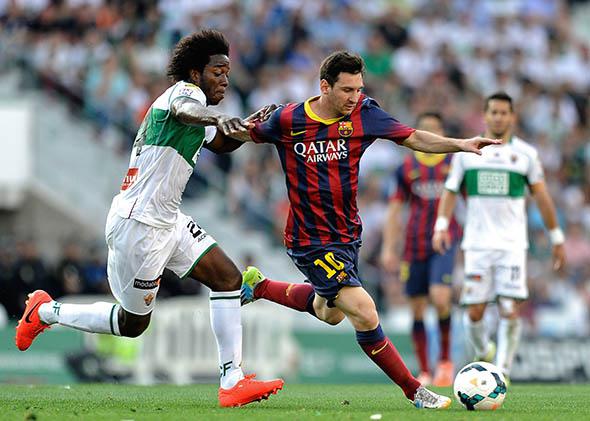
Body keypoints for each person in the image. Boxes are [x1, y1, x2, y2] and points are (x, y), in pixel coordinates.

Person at [15, 29, 283, 408]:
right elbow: (186, 112)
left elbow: (220, 144)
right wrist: (220, 117)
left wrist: (250, 128)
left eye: (228, 72)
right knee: (132, 324)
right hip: (139, 226)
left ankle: (232, 379)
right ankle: (45, 311)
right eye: (217, 71)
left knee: (227, 278)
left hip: (167, 220)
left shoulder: (198, 110)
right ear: (195, 73)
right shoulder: (185, 96)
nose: (225, 78)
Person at [232, 51, 500, 409]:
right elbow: (240, 136)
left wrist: (461, 145)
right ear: (324, 86)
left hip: (347, 235)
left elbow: (413, 137)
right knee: (365, 311)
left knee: (330, 313)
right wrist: (216, 128)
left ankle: (259, 285)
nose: (353, 97)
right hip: (309, 239)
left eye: (358, 89)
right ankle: (415, 390)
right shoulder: (288, 119)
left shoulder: (365, 113)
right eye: (346, 90)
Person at [432, 92, 566, 382]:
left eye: (504, 112)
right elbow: (450, 191)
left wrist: (556, 237)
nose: (499, 117)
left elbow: (542, 197)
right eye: (493, 112)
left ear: (512, 117)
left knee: (509, 307)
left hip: (512, 245)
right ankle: (484, 353)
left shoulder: (526, 155)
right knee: (475, 312)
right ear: (485, 115)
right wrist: (441, 225)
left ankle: (502, 372)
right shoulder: (468, 153)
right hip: (478, 244)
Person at [380, 112, 461, 387]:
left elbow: (471, 204)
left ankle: (446, 362)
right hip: (414, 244)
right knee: (417, 308)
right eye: (424, 129)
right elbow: (394, 209)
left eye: (435, 129)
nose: (430, 133)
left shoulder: (454, 163)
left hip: (445, 240)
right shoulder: (405, 167)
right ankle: (425, 369)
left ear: (441, 132)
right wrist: (389, 248)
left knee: (440, 298)